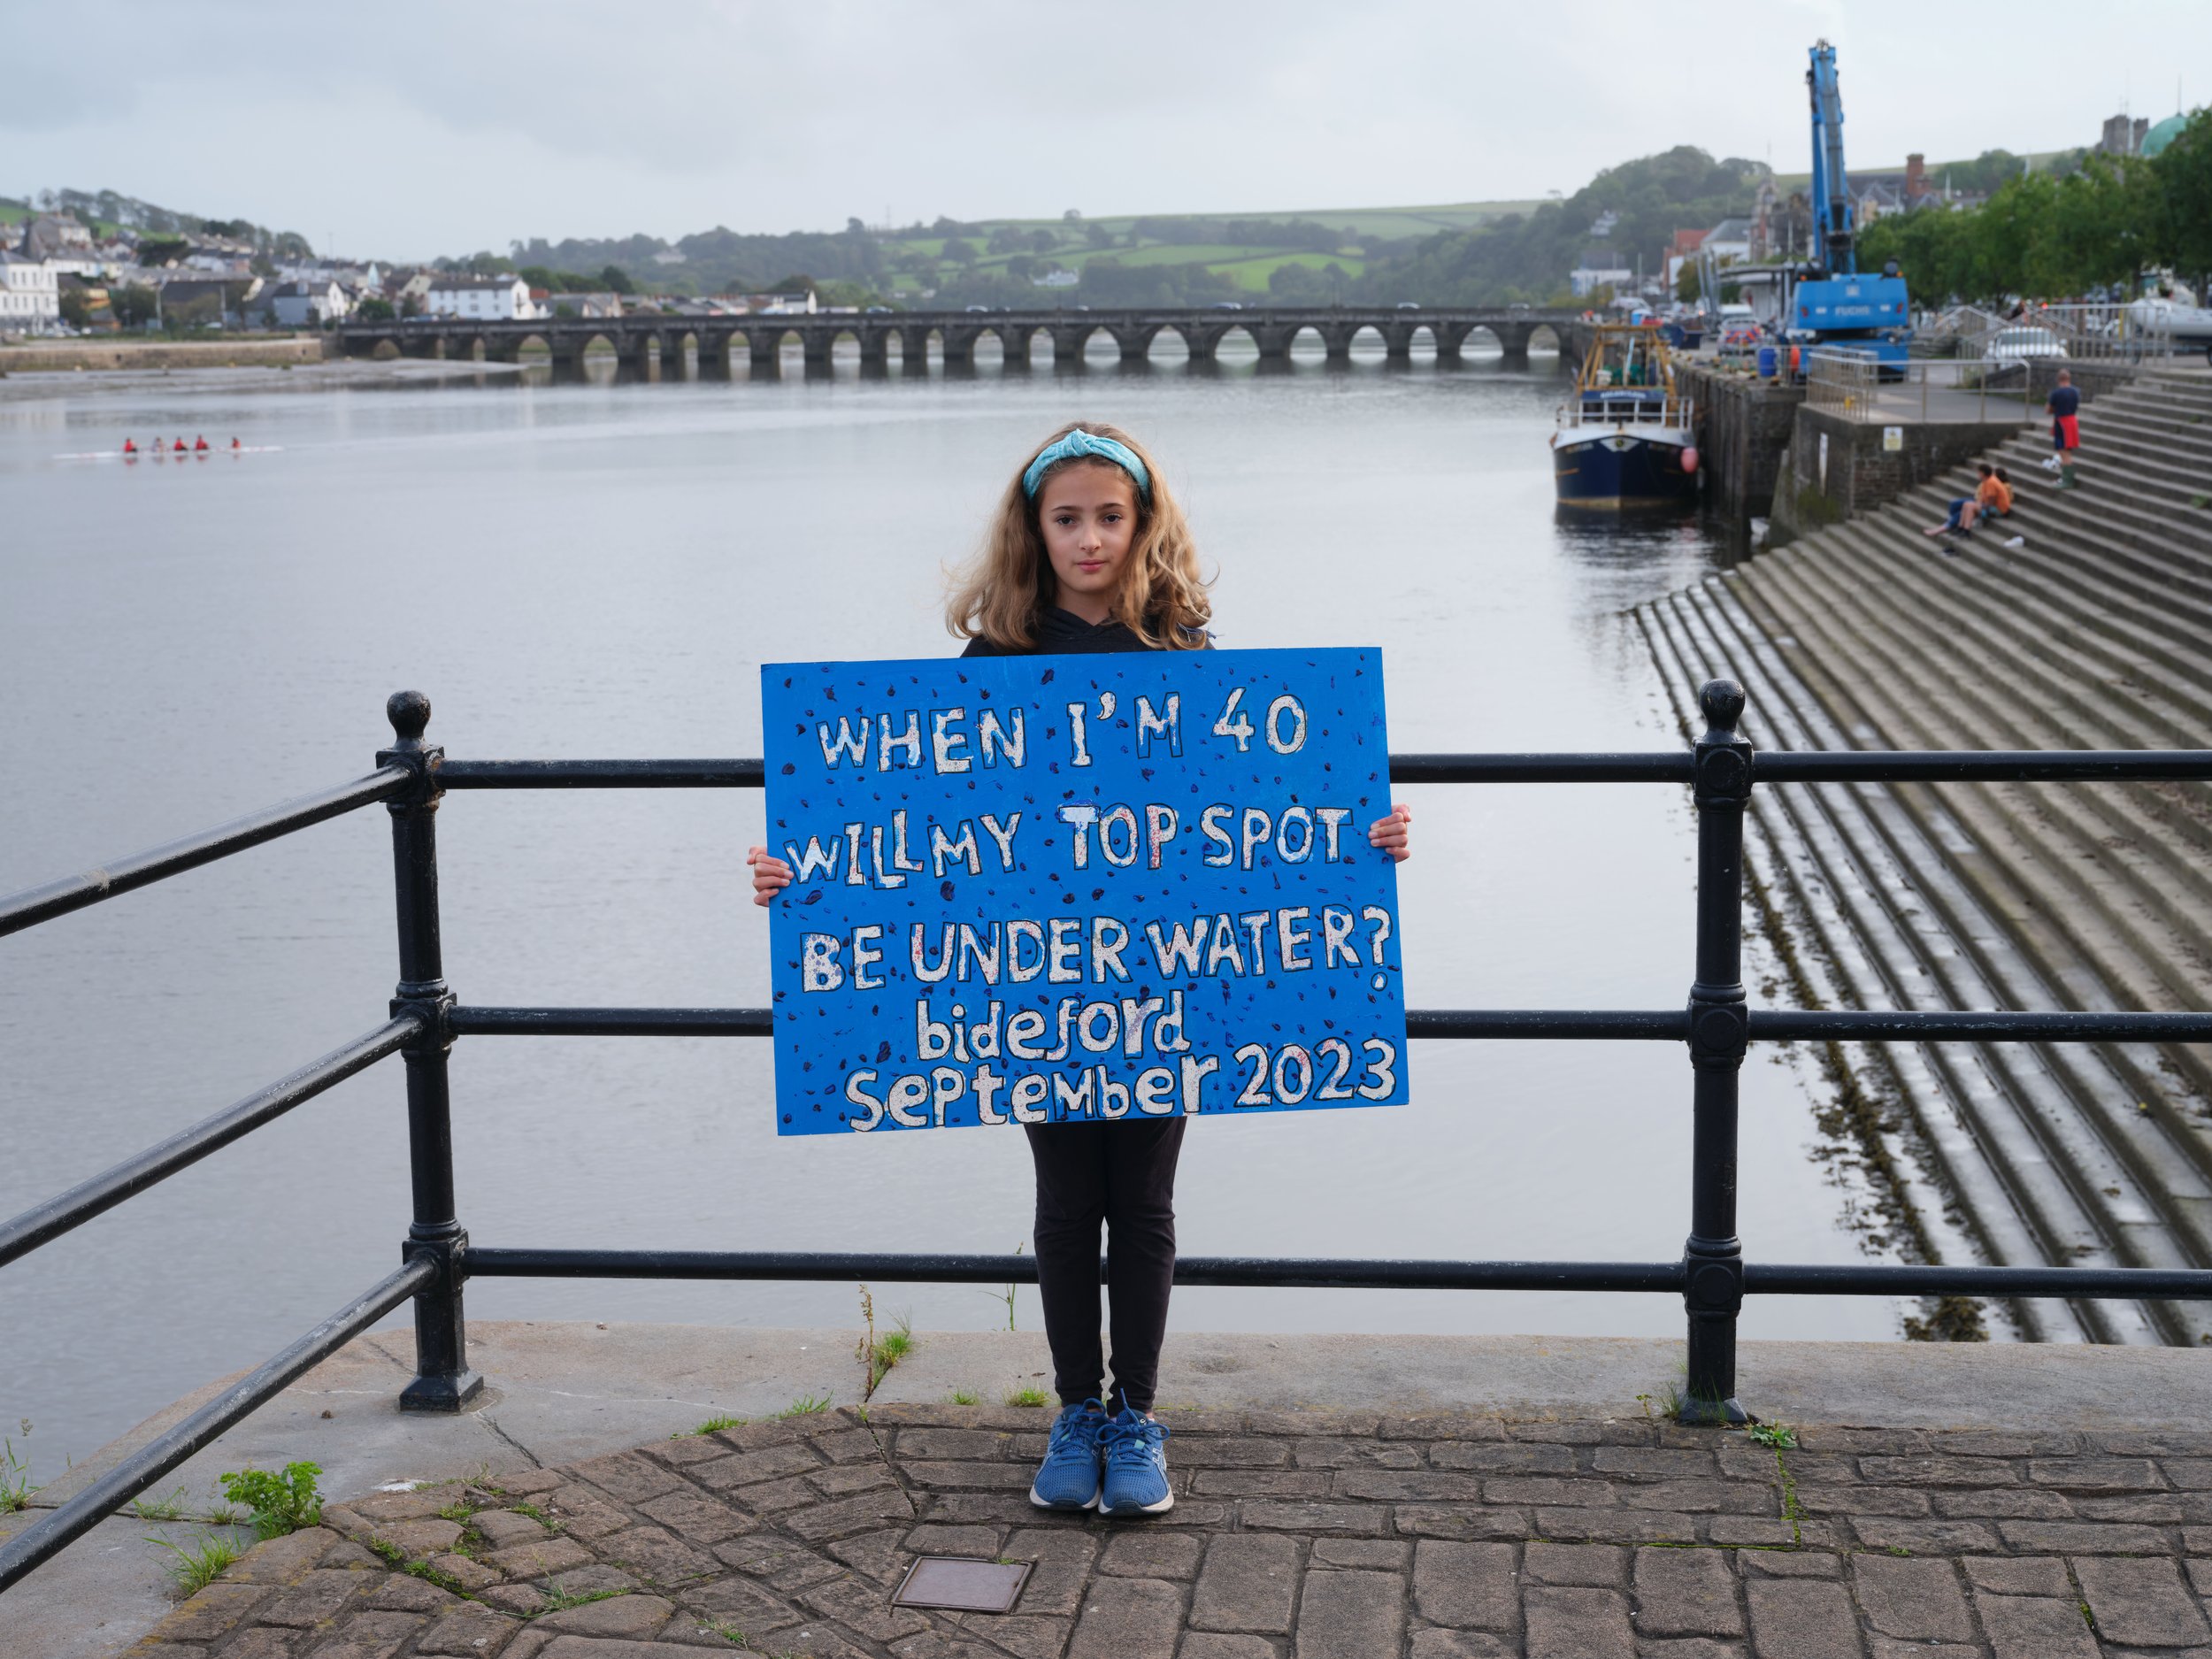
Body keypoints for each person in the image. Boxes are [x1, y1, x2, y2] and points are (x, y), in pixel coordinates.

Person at [744, 423, 1414, 1519]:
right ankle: (1072, 1410)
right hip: (1037, 990)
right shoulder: (994, 662)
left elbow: (1260, 812)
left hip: (1164, 985)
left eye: (1110, 516)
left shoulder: (1185, 657)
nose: (1090, 538)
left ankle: (1137, 1414)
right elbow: (905, 826)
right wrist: (799, 875)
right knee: (1066, 1202)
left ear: (1143, 524)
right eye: (1068, 519)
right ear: (1034, 529)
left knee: (1143, 1204)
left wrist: (1365, 839)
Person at [1924, 463, 1999, 538]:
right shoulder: (1986, 481)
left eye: (1979, 472)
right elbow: (1982, 496)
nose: (1978, 474)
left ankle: (1963, 529)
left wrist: (1978, 506)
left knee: (1968, 507)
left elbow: (1991, 501)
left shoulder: (1990, 482)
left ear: (1983, 473)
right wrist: (1978, 503)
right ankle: (1959, 526)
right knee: (1961, 504)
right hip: (1982, 502)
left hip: (1995, 509)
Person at [2044, 370, 2081, 484]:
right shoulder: (2076, 391)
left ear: (2059, 380)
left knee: (2064, 452)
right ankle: (2066, 478)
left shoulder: (2056, 393)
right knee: (2067, 451)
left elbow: (2048, 410)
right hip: (2072, 421)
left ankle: (2067, 479)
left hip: (2062, 422)